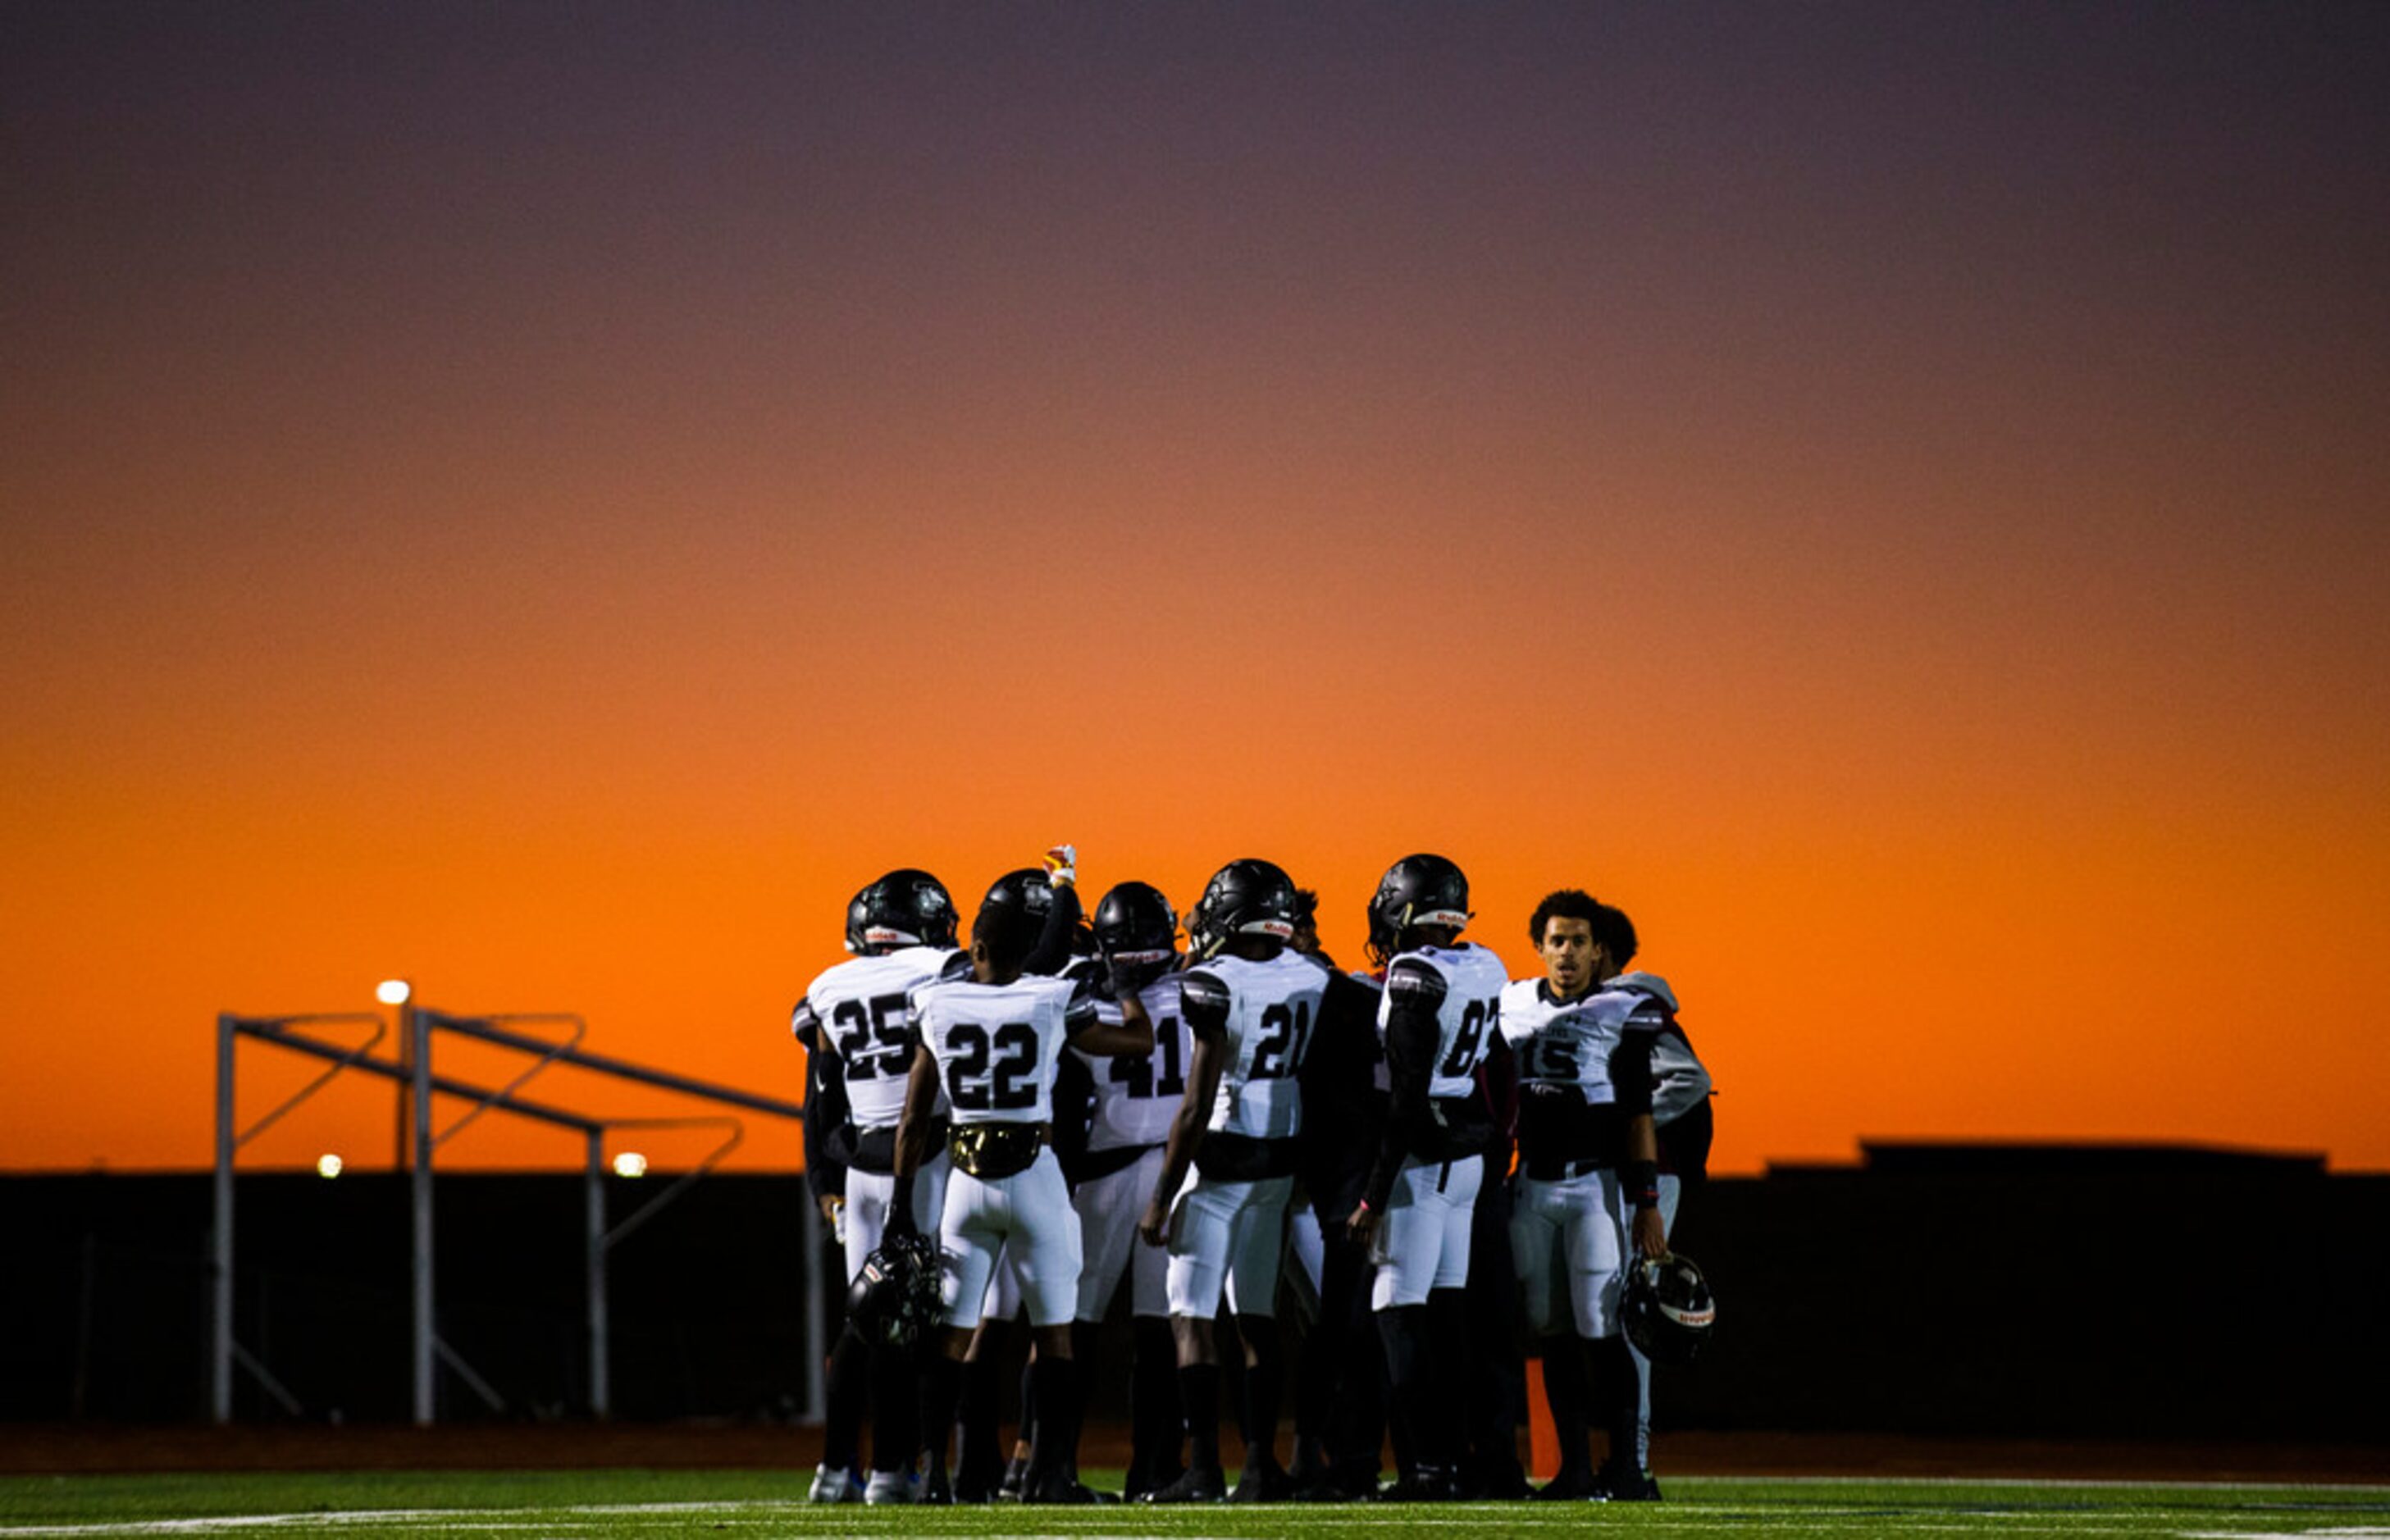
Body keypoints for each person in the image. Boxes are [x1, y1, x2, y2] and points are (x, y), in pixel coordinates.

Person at [891, 865, 1151, 1505]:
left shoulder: (936, 1001)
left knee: (953, 1333)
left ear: (975, 947)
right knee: (1055, 1332)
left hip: (964, 1180)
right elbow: (1135, 1040)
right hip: (1035, 1175)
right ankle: (1051, 1475)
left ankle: (934, 1475)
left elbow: (912, 1120)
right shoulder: (1049, 998)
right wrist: (1124, 989)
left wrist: (901, 1208)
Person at [1136, 859, 1325, 1504]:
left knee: (1191, 1316)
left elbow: (1194, 1105)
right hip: (1280, 1162)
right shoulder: (1313, 974)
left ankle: (1204, 1469)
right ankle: (1261, 1465)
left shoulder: (1213, 981)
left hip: (1219, 1162)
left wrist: (1160, 1197)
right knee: (1258, 1319)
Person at [1498, 890, 1685, 1501]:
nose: (1568, 953)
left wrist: (1647, 1200)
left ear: (1599, 951)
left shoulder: (1620, 1009)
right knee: (1551, 1331)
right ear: (1540, 948)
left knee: (1601, 1330)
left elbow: (1636, 1113)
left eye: (1580, 942)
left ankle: (1627, 1469)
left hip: (1593, 1187)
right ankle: (1574, 1467)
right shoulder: (1514, 1004)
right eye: (1558, 941)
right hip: (1532, 1185)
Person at [790, 869, 967, 1505]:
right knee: (923, 1318)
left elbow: (820, 1096)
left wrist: (824, 1177)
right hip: (925, 1157)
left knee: (866, 1315)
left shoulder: (827, 986)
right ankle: (895, 1470)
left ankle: (837, 1470)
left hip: (860, 1163)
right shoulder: (946, 968)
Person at [1348, 854, 1512, 1501]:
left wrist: (1372, 1195)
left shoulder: (1414, 975)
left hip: (1422, 1164)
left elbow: (1409, 1098)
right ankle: (1450, 1460)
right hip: (1466, 1159)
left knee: (1397, 1310)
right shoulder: (1484, 964)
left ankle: (1426, 1466)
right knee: (1445, 1316)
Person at [1056, 879, 1194, 1498]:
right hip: (1172, 1171)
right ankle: (1155, 1467)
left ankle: (1051, 1466)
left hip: (1106, 1173)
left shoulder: (1079, 998)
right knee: (1157, 1332)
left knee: (1075, 1328)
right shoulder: (1201, 990)